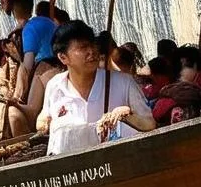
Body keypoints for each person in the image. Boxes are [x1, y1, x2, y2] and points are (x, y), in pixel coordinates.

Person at [37, 20, 155, 156]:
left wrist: (126, 116)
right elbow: (44, 118)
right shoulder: (55, 86)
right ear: (63, 57)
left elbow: (149, 124)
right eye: (82, 48)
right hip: (70, 170)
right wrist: (45, 124)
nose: (91, 52)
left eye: (93, 45)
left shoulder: (124, 82)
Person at [11, 0, 56, 96]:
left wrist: (18, 94)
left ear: (14, 12)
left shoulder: (29, 29)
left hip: (46, 71)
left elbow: (28, 64)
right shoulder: (48, 22)